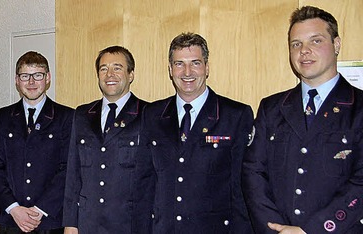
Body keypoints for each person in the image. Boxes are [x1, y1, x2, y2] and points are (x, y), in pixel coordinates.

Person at [242, 5, 363, 233]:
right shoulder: (272, 108)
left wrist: (313, 230)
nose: (304, 51)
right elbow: (253, 172)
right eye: (296, 44)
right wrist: (275, 229)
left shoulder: (359, 108)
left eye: (315, 41)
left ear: (336, 45)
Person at [143, 32, 253, 233]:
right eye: (179, 64)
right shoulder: (152, 114)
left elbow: (242, 186)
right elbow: (145, 180)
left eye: (195, 63)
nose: (187, 72)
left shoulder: (235, 115)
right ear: (170, 69)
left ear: (207, 67)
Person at [62, 46, 153, 233]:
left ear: (131, 74)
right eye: (103, 69)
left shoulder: (149, 114)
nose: (109, 74)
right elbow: (73, 174)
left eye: (117, 68)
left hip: (131, 224)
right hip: (88, 224)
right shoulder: (82, 115)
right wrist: (70, 223)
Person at [0, 51, 73, 233]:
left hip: (50, 219)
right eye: (25, 76)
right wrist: (14, 208)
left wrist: (39, 210)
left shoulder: (67, 117)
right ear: (17, 80)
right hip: (11, 219)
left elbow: (68, 168)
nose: (32, 82)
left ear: (48, 78)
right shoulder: (3, 116)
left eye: (38, 75)